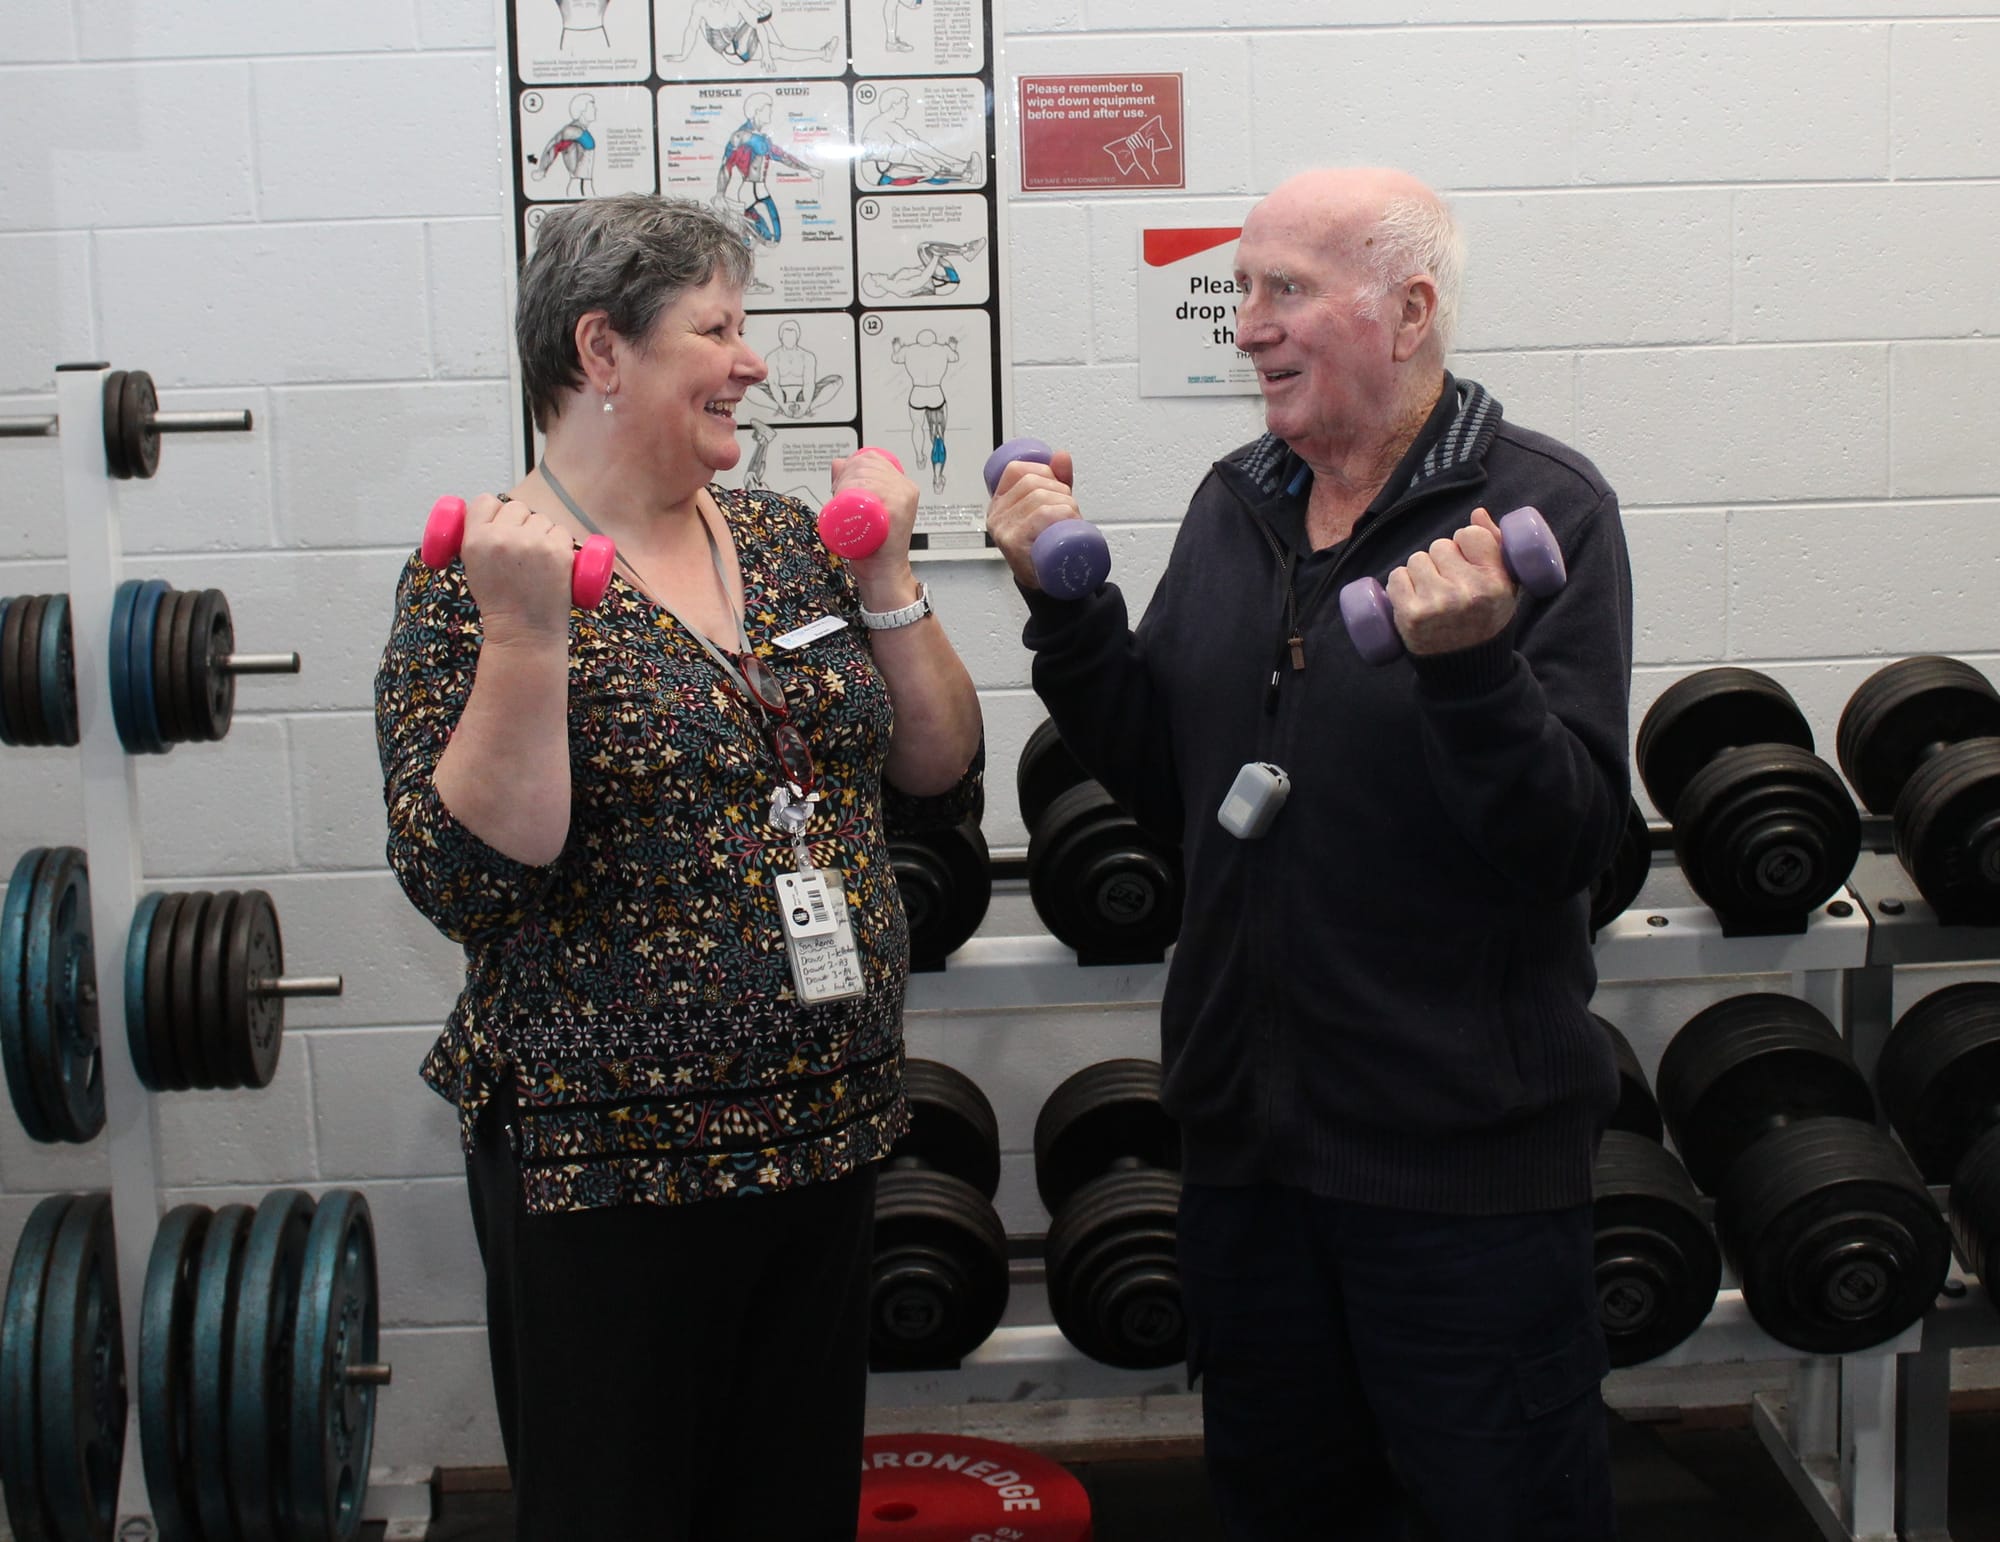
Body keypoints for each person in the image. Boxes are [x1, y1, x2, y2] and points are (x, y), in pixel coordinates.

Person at [986, 166, 1632, 1540]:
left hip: (1460, 1181)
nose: (1249, 324)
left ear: (1407, 310)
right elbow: (1175, 783)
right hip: (1248, 1168)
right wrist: (1067, 620)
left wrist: (1468, 673)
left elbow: (1568, 842)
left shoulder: (1546, 513)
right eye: (1246, 287)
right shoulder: (1241, 502)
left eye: (1286, 289)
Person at [375, 193, 982, 1542]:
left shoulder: (774, 539)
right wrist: (528, 640)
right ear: (602, 352)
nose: (752, 360)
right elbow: (467, 877)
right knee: (621, 1511)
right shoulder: (470, 575)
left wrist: (884, 572)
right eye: (716, 329)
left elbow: (937, 766)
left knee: (789, 1504)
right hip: (612, 1165)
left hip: (827, 1129)